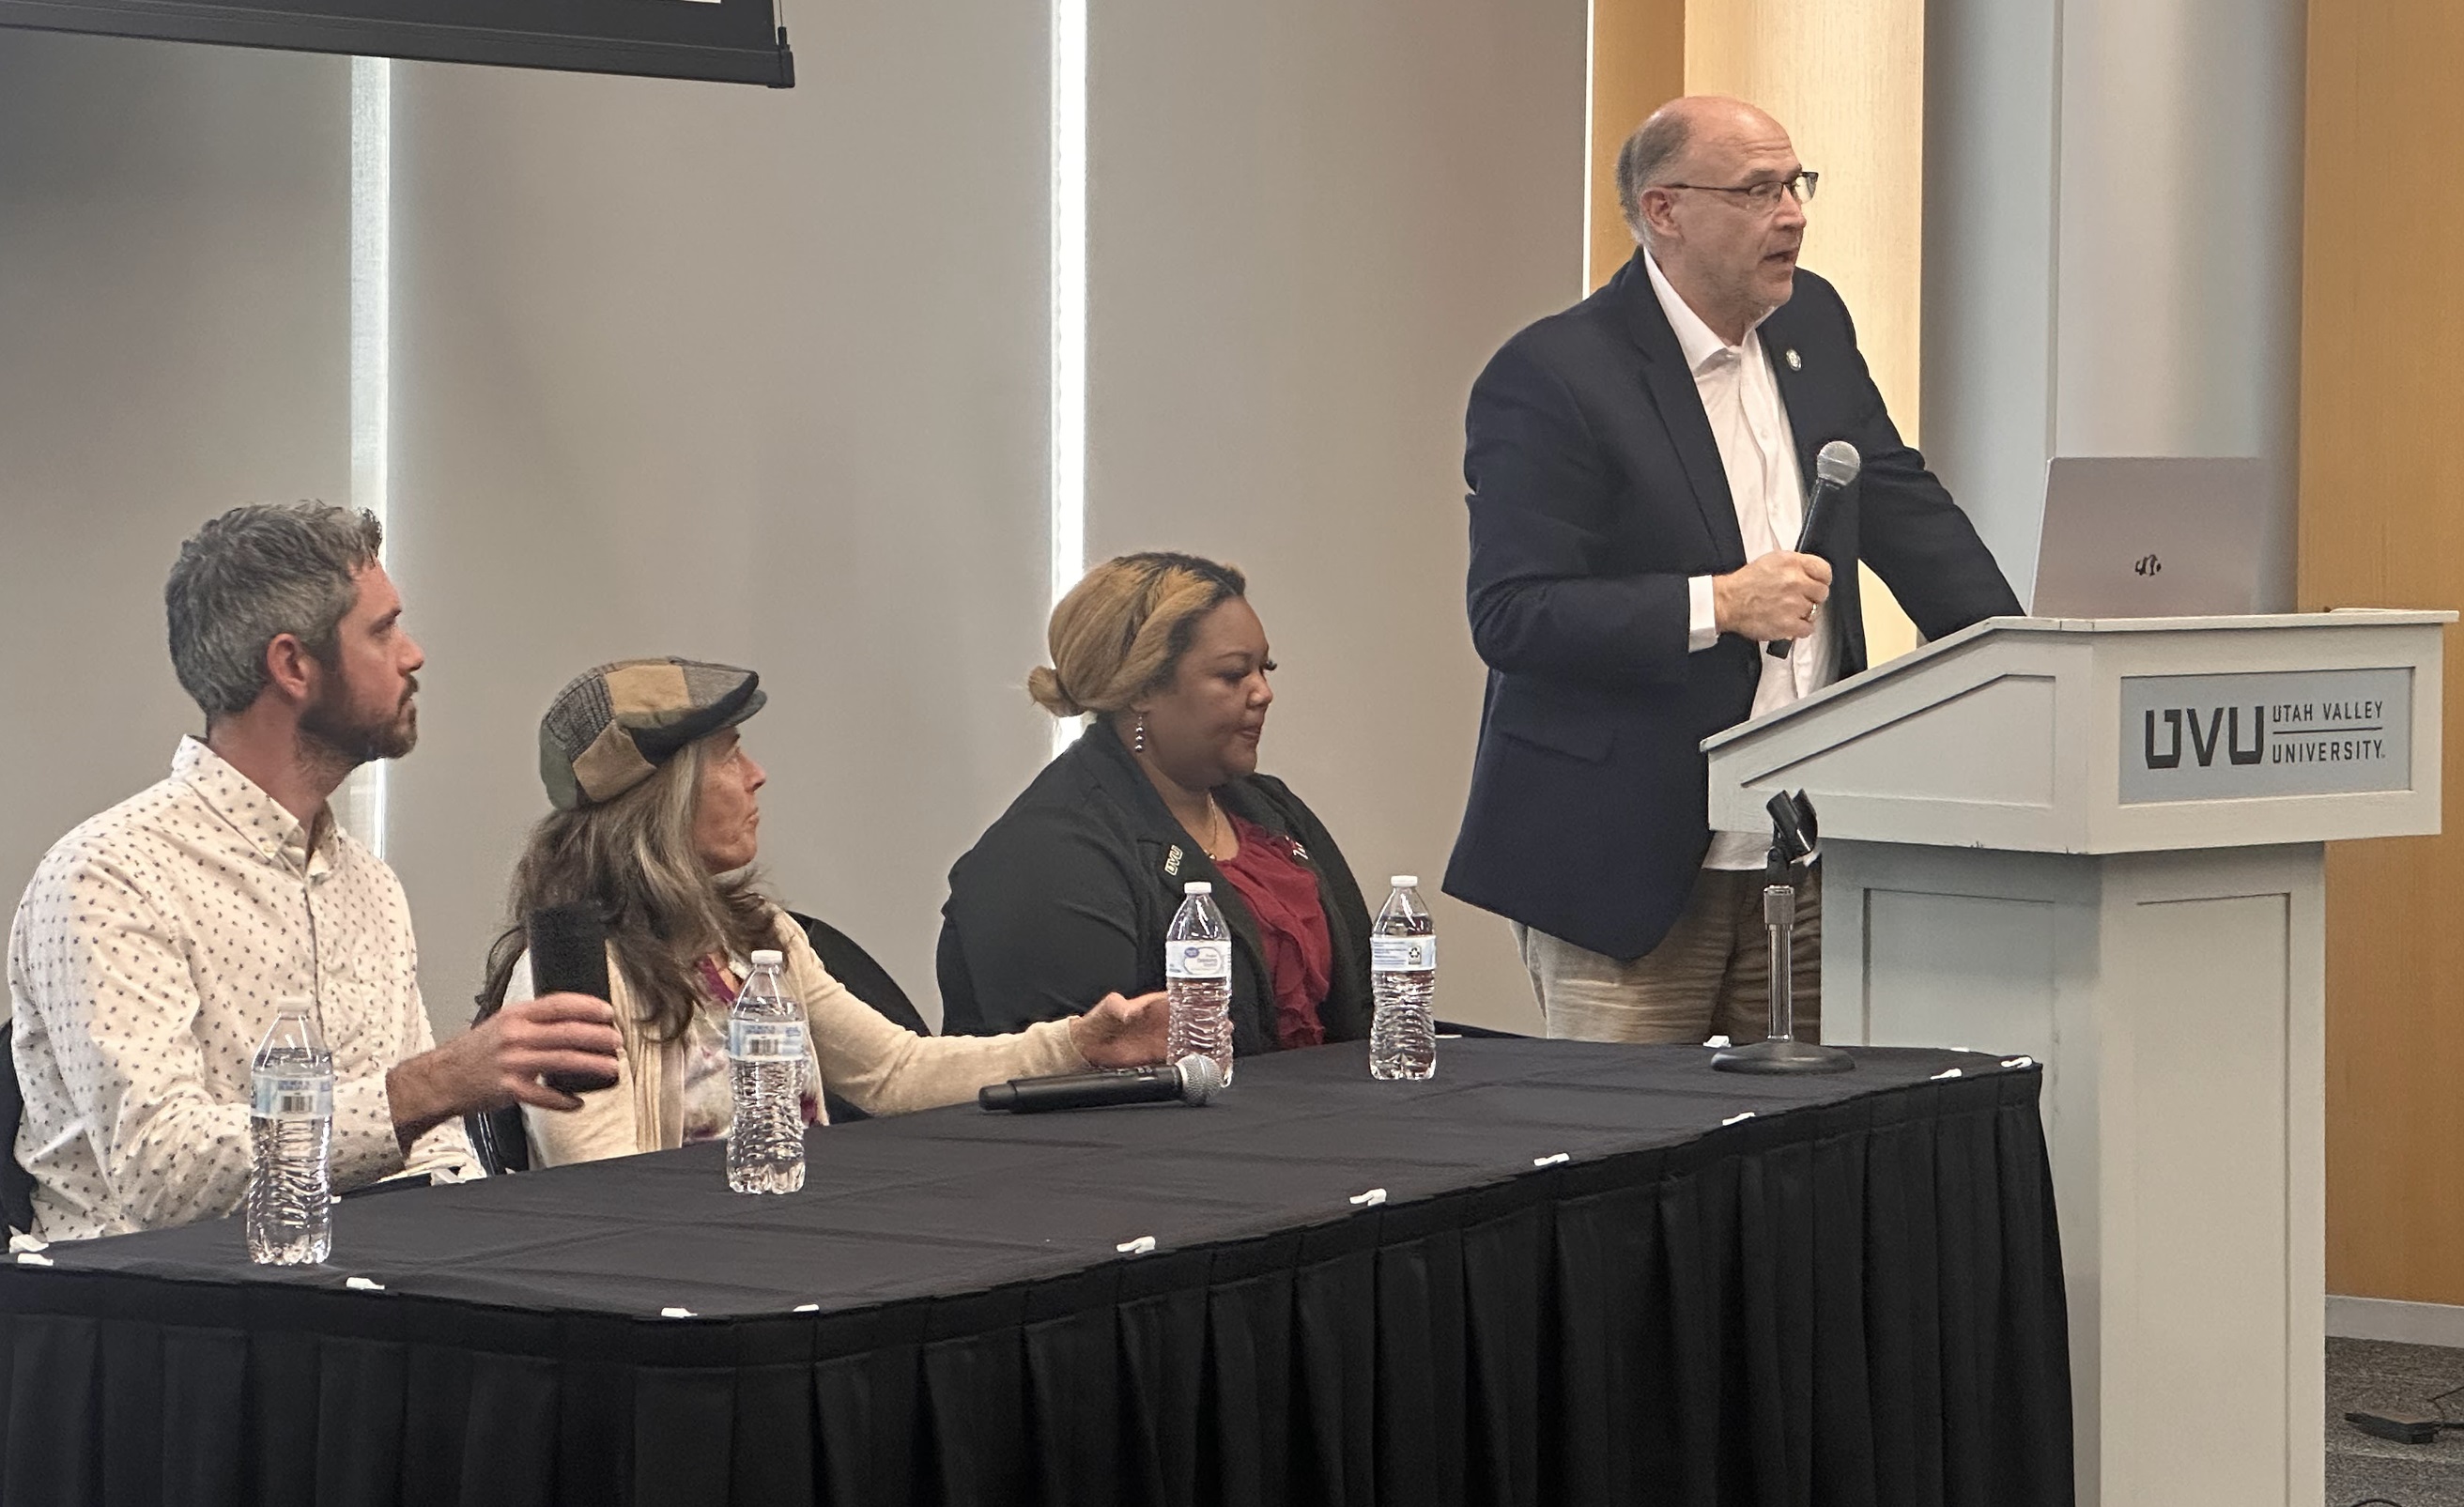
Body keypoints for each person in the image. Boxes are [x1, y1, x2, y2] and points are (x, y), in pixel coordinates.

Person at [1443, 97, 2023, 1045]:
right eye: (1757, 191)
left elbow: (1905, 511)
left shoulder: (1814, 325)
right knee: (1625, 1161)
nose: (1791, 214)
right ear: (1662, 210)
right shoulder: (1552, 375)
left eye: (1795, 185)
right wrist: (1714, 604)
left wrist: (2018, 658)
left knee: (1793, 1165)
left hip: (1800, 854)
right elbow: (1512, 615)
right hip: (1621, 858)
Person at [7, 504, 623, 1242]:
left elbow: (435, 1149)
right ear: (293, 665)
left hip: (346, 1301)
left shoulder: (368, 883)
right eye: (382, 629)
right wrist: (433, 1084)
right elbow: (161, 1172)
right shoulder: (109, 875)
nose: (414, 653)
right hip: (156, 1320)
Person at [485, 657, 1169, 1167]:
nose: (757, 774)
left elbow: (895, 1072)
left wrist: (1078, 1045)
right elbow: (600, 1190)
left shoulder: (756, 936)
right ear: (659, 800)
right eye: (727, 755)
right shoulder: (571, 975)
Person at [939, 553, 1373, 1053]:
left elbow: (1362, 1001)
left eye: (1264, 669)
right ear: (1142, 688)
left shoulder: (1270, 810)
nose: (1264, 692)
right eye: (1234, 675)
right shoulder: (1050, 852)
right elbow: (1090, 1073)